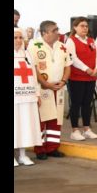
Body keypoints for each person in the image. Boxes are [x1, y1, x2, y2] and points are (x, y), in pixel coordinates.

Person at [29, 20, 71, 160]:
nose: (58, 32)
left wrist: (64, 81)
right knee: (42, 119)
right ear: (44, 33)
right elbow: (33, 68)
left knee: (56, 119)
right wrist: (45, 83)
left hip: (58, 88)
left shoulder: (62, 46)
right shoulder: (34, 45)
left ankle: (52, 147)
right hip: (42, 88)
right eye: (54, 30)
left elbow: (68, 66)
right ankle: (40, 149)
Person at [64, 17, 97, 141]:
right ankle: (74, 130)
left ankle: (86, 129)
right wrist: (87, 69)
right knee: (76, 104)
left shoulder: (91, 40)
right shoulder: (71, 41)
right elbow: (73, 59)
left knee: (87, 104)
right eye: (82, 26)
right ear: (75, 27)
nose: (85, 28)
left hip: (91, 78)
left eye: (86, 26)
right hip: (77, 78)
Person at [14, 27, 42, 166]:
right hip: (15, 98)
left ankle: (23, 155)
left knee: (25, 125)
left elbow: (34, 76)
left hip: (28, 96)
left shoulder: (28, 55)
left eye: (20, 37)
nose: (18, 40)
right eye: (15, 38)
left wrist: (37, 94)